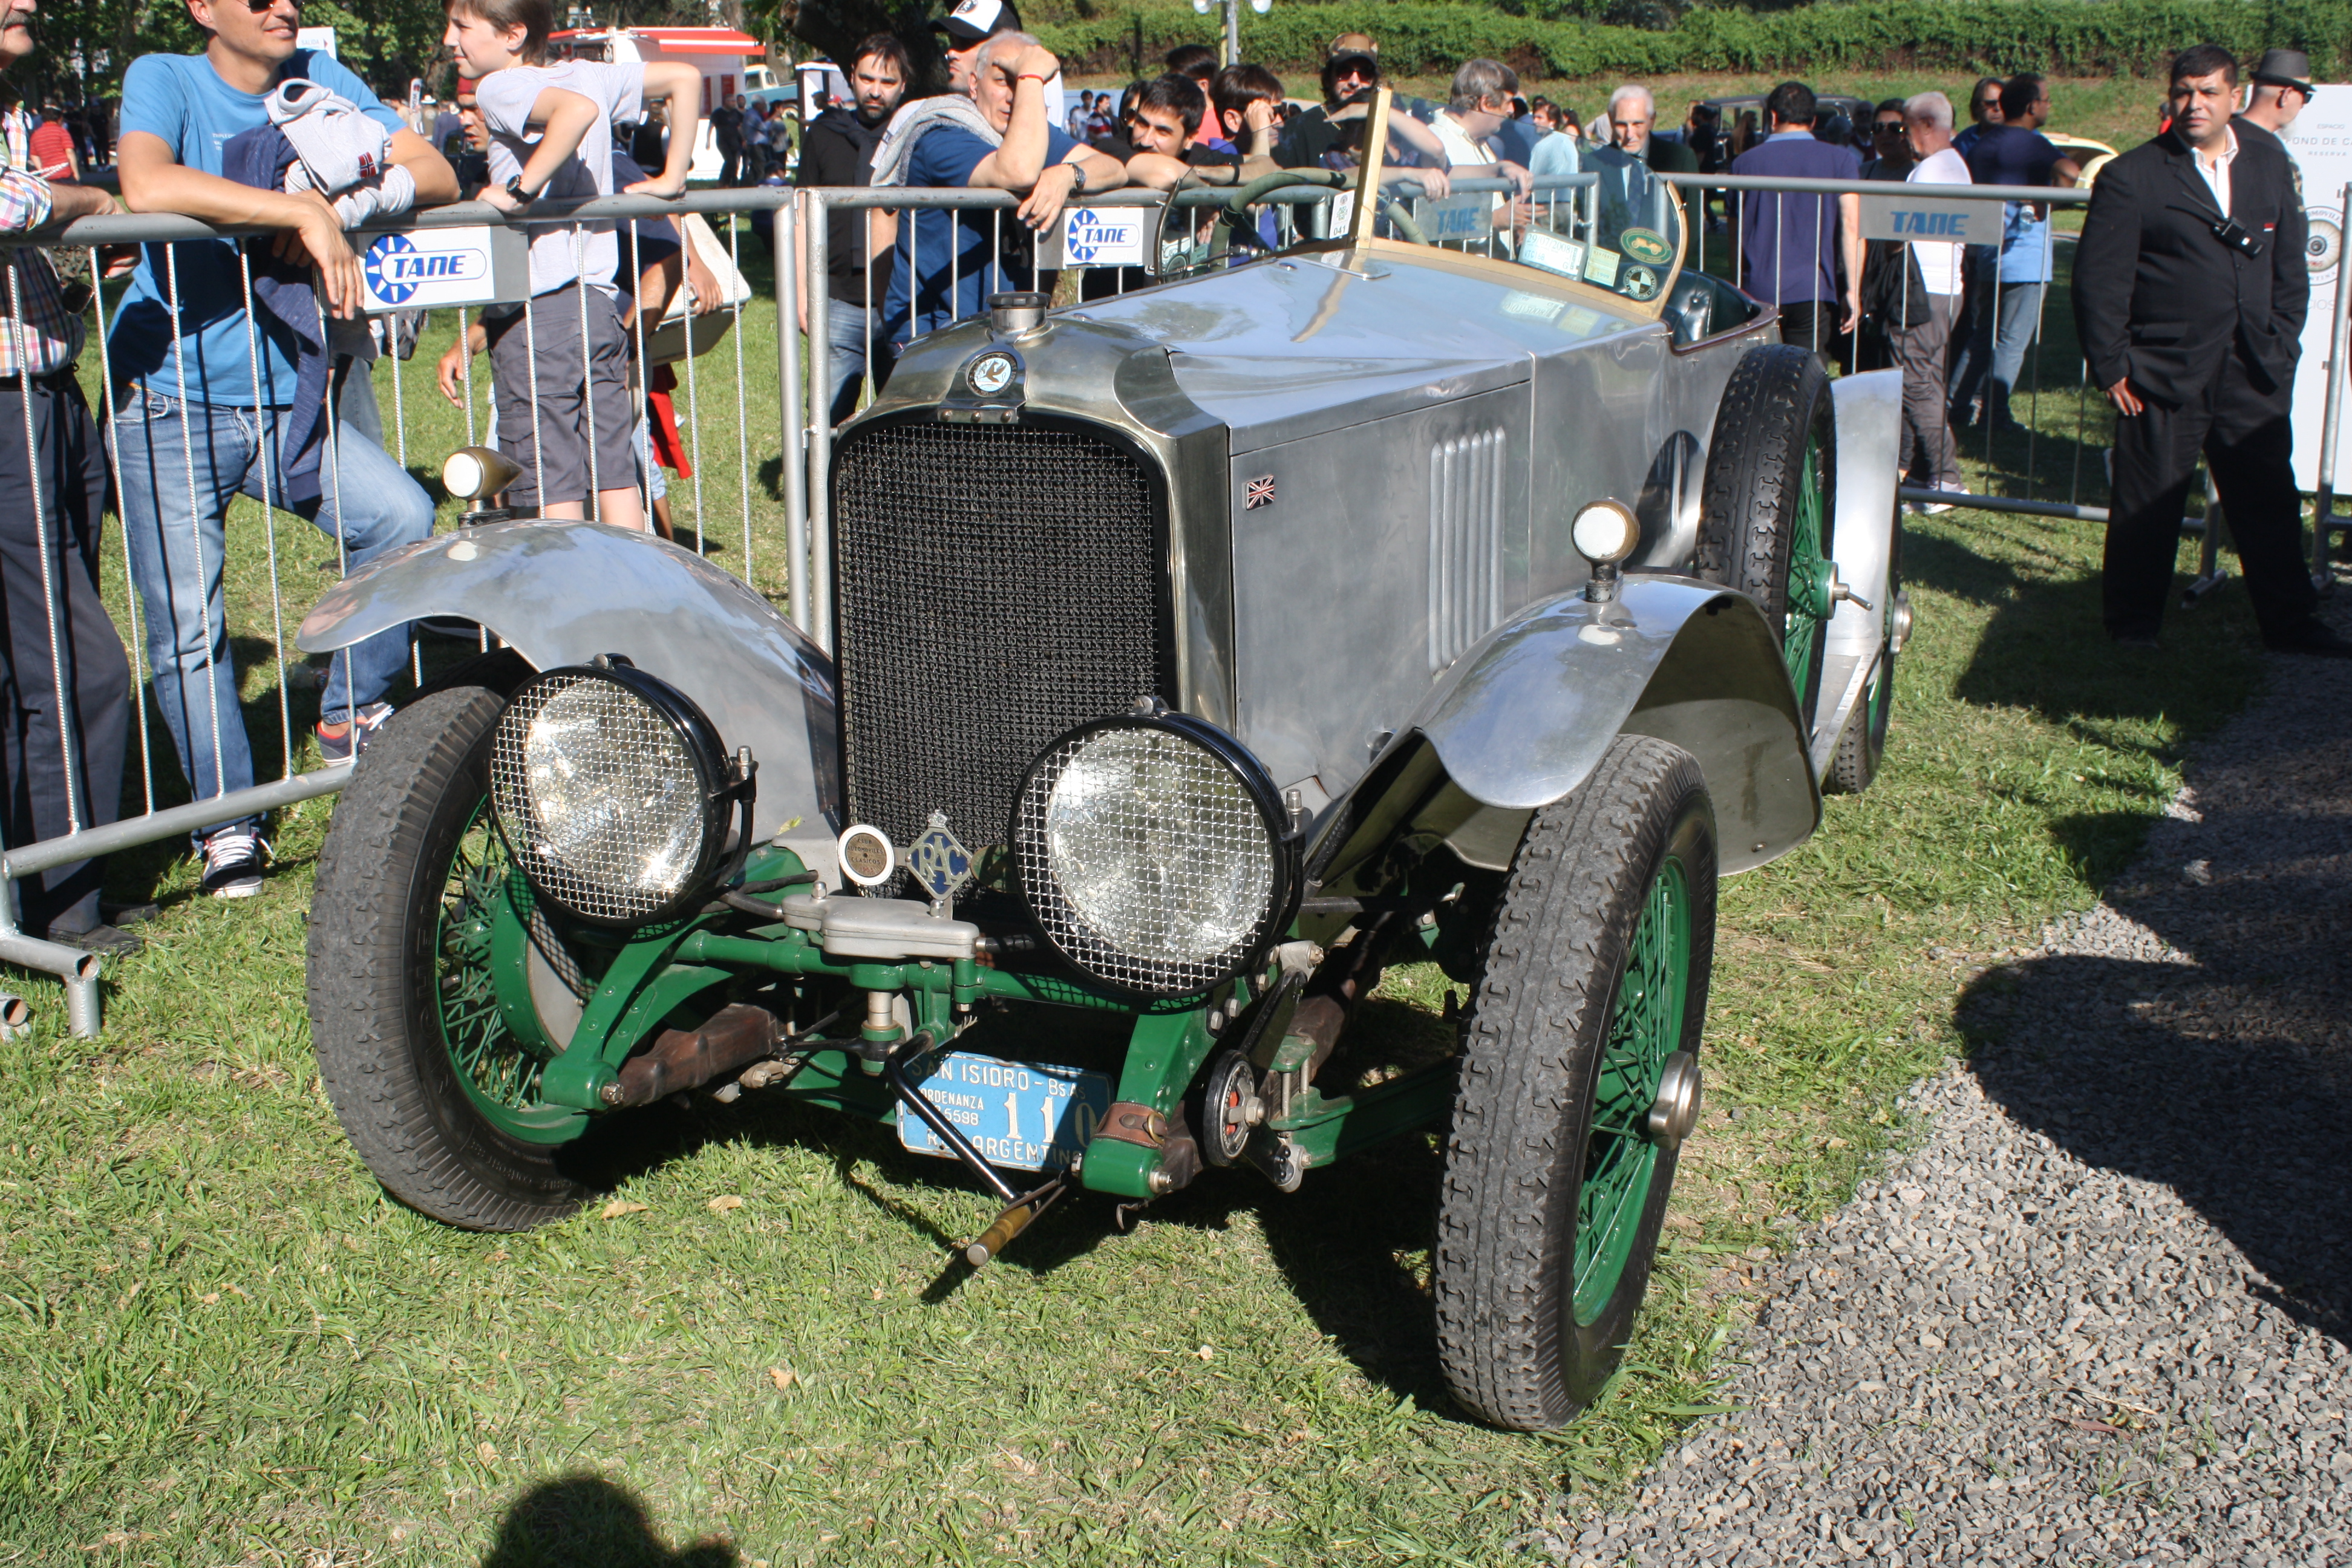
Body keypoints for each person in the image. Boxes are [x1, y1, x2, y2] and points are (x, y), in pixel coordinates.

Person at [111, 0, 455, 898]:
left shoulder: (318, 79)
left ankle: (348, 716)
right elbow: (146, 185)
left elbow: (435, 169)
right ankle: (225, 824)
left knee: (401, 517)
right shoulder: (167, 77)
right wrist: (298, 212)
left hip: (281, 402)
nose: (283, 6)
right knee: (190, 625)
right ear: (200, 7)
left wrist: (355, 200)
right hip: (169, 402)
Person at [2073, 45, 2347, 658]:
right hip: (2161, 370)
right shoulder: (2133, 175)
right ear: (2171, 98)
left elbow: (2289, 268)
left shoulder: (2269, 168)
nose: (2195, 104)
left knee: (2269, 501)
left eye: (2208, 93)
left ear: (2233, 97)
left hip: (2253, 367)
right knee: (2149, 503)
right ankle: (2134, 626)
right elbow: (2101, 278)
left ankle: (2291, 623)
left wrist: (2281, 343)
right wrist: (2113, 363)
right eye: (2184, 92)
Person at [452, 0, 700, 532]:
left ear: (513, 35)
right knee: (616, 475)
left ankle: (571, 605)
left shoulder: (499, 87)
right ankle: (637, 599)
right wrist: (672, 179)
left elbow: (575, 114)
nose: (451, 41)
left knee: (552, 482)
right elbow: (683, 77)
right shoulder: (589, 73)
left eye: (462, 27)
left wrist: (522, 189)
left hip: (538, 313)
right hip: (600, 308)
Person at [0, 1, 138, 954]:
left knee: (49, 660)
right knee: (74, 669)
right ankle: (62, 904)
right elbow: (17, 209)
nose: (30, 4)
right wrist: (90, 201)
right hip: (9, 408)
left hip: (48, 396)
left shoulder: (14, 105)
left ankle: (61, 882)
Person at [873, 31, 1125, 354]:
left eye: (1026, 84)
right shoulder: (943, 132)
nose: (1014, 96)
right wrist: (1033, 72)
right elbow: (1017, 171)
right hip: (934, 338)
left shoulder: (1030, 137)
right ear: (974, 85)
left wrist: (1068, 174)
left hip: (1002, 337)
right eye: (1004, 81)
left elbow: (1114, 168)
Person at [1948, 74, 2077, 433]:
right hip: (2026, 254)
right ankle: (1995, 414)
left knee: (1981, 336)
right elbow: (2070, 172)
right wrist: (2050, 196)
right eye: (2047, 100)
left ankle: (1955, 406)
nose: (2049, 106)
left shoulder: (1982, 145)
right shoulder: (2032, 142)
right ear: (2031, 106)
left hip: (1989, 251)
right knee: (2012, 341)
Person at [795, 31, 907, 425]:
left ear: (903, 86)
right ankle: (822, 486)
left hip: (900, 299)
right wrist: (801, 291)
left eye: (888, 82)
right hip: (839, 297)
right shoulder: (824, 133)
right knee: (827, 413)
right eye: (867, 79)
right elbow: (803, 213)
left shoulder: (913, 137)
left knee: (904, 416)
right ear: (852, 77)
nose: (876, 91)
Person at [1728, 81, 1861, 366]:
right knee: (1806, 382)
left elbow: (1734, 231)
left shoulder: (1744, 164)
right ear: (1813, 120)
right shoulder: (1842, 160)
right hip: (1814, 289)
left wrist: (1736, 284)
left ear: (1773, 117)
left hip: (1758, 289)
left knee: (1758, 378)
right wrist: (1852, 289)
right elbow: (1851, 224)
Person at [1886, 93, 1970, 509]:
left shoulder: (1930, 171)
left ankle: (1946, 476)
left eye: (1905, 129)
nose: (1904, 139)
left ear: (1925, 125)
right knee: (1924, 377)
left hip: (1924, 290)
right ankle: (1914, 471)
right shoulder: (1956, 166)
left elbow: (1902, 233)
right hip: (1947, 288)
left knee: (1916, 379)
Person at [932, 0, 1065, 131]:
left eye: (966, 43)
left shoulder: (1040, 77)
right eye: (952, 40)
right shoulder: (938, 125)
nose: (951, 53)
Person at [2237, 48, 2311, 199]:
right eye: (2305, 97)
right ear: (2286, 95)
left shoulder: (2218, 140)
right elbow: (2292, 221)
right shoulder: (2276, 155)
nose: (2303, 105)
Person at [1607, 84, 1697, 175]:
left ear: (1652, 120)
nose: (1629, 134)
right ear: (1611, 120)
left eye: (1637, 124)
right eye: (1622, 125)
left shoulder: (1681, 159)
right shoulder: (1595, 164)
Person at [1954, 76, 2002, 157]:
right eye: (1990, 103)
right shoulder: (1964, 141)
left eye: (2003, 102)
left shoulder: (2020, 139)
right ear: (1977, 107)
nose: (1998, 108)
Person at [711, 91, 743, 186]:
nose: (734, 103)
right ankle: (722, 181)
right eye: (732, 101)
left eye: (735, 101)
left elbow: (740, 127)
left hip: (735, 141)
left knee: (734, 163)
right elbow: (711, 126)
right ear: (726, 102)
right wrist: (708, 141)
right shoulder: (718, 113)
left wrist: (744, 139)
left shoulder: (736, 113)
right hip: (723, 142)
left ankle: (732, 181)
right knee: (729, 160)